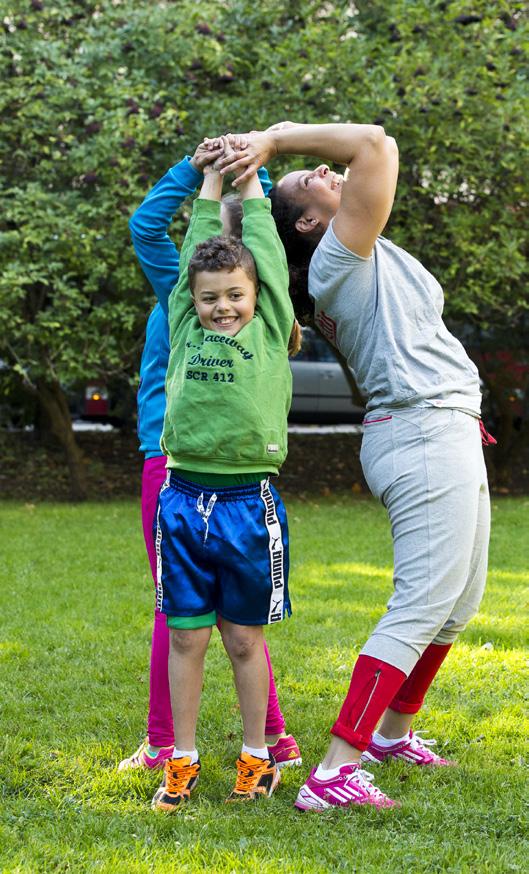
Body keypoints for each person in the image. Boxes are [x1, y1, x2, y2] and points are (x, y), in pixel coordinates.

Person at [217, 122, 491, 810]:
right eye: (312, 179)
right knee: (422, 603)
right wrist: (273, 141)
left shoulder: (358, 251)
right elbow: (374, 144)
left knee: (455, 606)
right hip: (422, 431)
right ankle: (337, 769)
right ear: (310, 223)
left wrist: (246, 181)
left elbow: (362, 166)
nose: (328, 170)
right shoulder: (340, 260)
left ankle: (391, 735)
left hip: (441, 426)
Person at [120, 142, 301, 781]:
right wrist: (204, 175)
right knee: (187, 621)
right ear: (194, 285)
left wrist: (255, 169)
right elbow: (176, 229)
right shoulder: (185, 305)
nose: (222, 302)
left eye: (236, 289)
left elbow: (271, 259)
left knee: (243, 628)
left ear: (251, 282)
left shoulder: (266, 317)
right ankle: (175, 749)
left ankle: (267, 742)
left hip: (245, 491)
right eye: (208, 290)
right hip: (177, 473)